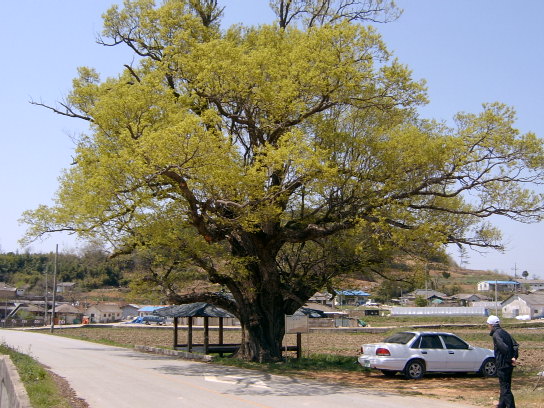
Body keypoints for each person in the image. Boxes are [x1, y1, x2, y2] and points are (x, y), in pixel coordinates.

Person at [487, 315, 518, 408]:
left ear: (491, 325)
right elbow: (515, 345)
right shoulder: (505, 332)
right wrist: (514, 357)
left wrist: (508, 358)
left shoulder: (496, 335)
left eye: (488, 324)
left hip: (502, 364)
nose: (488, 326)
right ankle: (501, 405)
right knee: (505, 386)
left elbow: (504, 348)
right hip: (508, 364)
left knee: (505, 388)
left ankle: (511, 406)